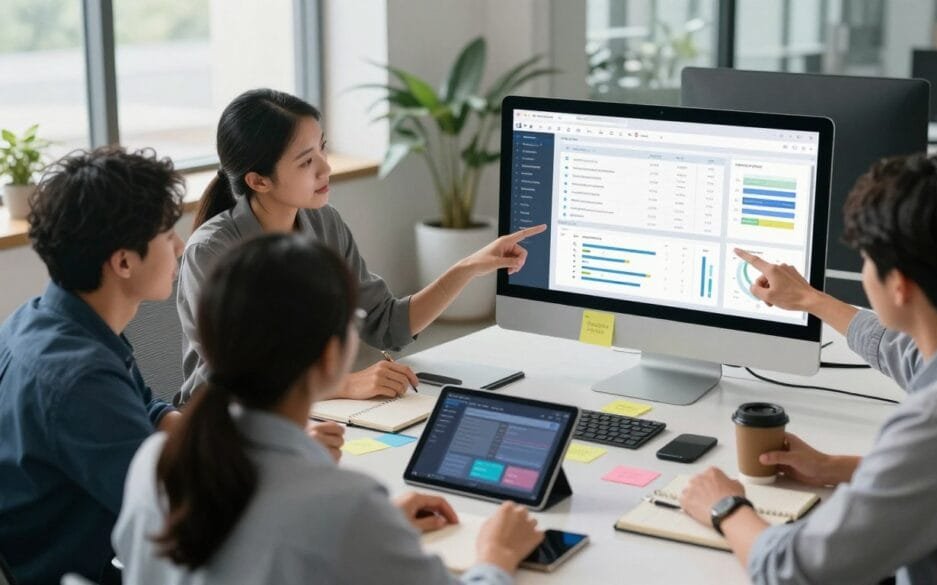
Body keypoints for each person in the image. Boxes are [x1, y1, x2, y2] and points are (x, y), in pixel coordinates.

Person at [114, 233, 544, 584]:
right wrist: (496, 556)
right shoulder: (346, 505)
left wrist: (374, 535)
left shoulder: (152, 463)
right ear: (329, 355)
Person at [680, 153, 937, 584]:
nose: (863, 273)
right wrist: (838, 468)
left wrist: (726, 506)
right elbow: (914, 365)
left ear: (899, 285)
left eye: (865, 260)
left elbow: (794, 572)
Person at [176, 88, 545, 404]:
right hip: (224, 432)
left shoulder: (323, 223)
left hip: (307, 413)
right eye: (307, 162)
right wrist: (342, 384)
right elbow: (232, 380)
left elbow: (386, 325)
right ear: (258, 181)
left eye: (322, 149)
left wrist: (468, 268)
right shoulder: (211, 251)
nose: (326, 168)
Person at [0, 147, 185, 584]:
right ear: (123, 261)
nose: (180, 245)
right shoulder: (78, 378)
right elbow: (170, 508)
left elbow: (151, 413)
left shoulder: (52, 317)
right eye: (167, 233)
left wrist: (243, 441)